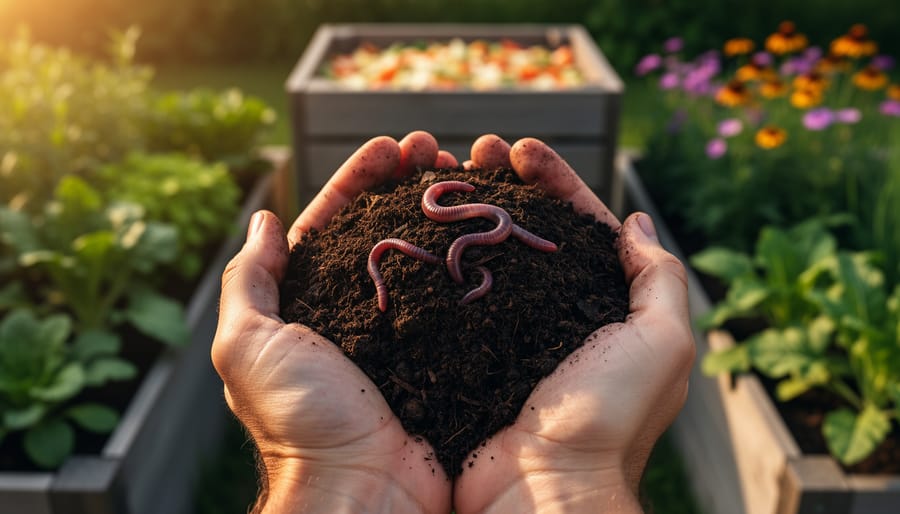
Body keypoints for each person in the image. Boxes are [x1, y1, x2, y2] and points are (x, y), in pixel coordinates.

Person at [211, 131, 695, 514]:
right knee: (434, 244)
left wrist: (335, 476)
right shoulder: (424, 239)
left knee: (490, 229)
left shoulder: (496, 235)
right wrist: (570, 480)